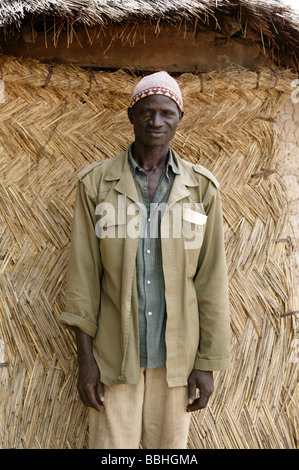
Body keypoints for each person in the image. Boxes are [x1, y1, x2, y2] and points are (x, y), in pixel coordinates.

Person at [60, 71, 231, 449]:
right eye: (147, 112)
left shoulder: (201, 189)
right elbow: (84, 277)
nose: (156, 122)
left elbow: (211, 280)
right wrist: (85, 362)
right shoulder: (96, 185)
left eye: (167, 113)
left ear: (179, 119)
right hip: (113, 358)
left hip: (178, 362)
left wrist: (206, 364)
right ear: (131, 115)